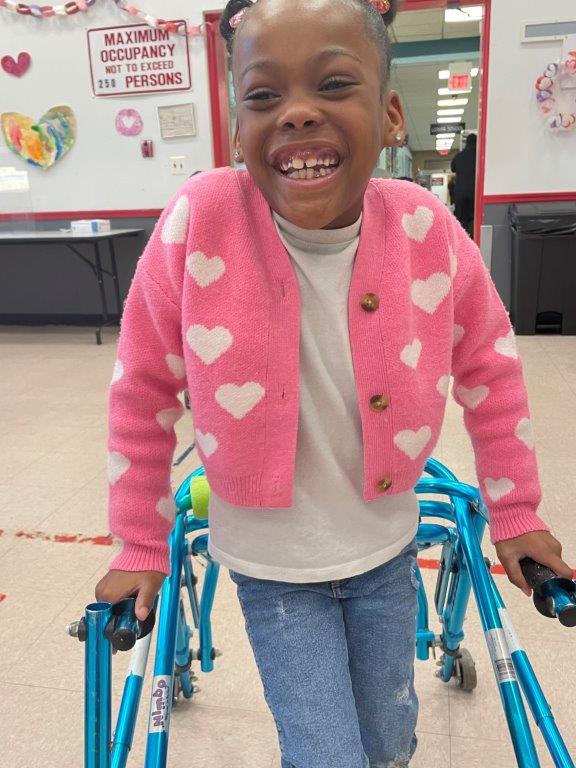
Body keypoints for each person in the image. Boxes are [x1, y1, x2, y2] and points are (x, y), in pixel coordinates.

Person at [95, 1, 572, 765]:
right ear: (238, 128)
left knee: (389, 744)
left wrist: (515, 513)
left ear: (389, 116)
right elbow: (142, 388)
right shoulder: (201, 220)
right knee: (327, 754)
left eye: (334, 84)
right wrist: (140, 542)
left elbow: (489, 365)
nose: (297, 113)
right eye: (263, 95)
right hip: (273, 568)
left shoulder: (423, 226)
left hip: (385, 547)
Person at [451, 132, 477, 236]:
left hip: (460, 193)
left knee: (461, 220)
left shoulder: (459, 156)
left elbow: (452, 168)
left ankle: (461, 240)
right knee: (473, 219)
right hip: (474, 192)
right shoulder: (478, 156)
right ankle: (472, 241)